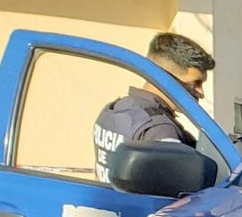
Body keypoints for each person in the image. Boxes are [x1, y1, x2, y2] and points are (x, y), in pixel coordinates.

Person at [92, 32, 216, 180]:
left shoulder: (115, 109)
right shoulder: (159, 129)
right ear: (165, 78)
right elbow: (177, 188)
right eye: (194, 83)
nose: (200, 93)